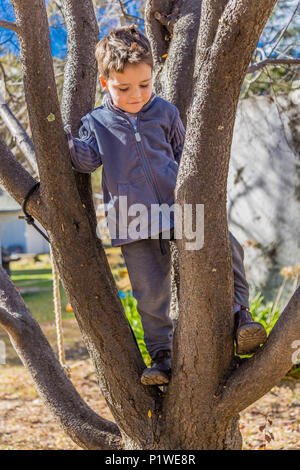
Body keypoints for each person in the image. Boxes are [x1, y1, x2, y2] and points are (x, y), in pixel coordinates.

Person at [65, 25, 267, 386]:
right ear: (104, 82)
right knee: (149, 291)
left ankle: (241, 316)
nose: (136, 95)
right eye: (123, 88)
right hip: (133, 219)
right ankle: (162, 356)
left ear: (152, 76)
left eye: (144, 85)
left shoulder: (165, 112)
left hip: (177, 209)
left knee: (226, 246)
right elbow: (87, 161)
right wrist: (62, 142)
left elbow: (185, 155)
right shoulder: (96, 122)